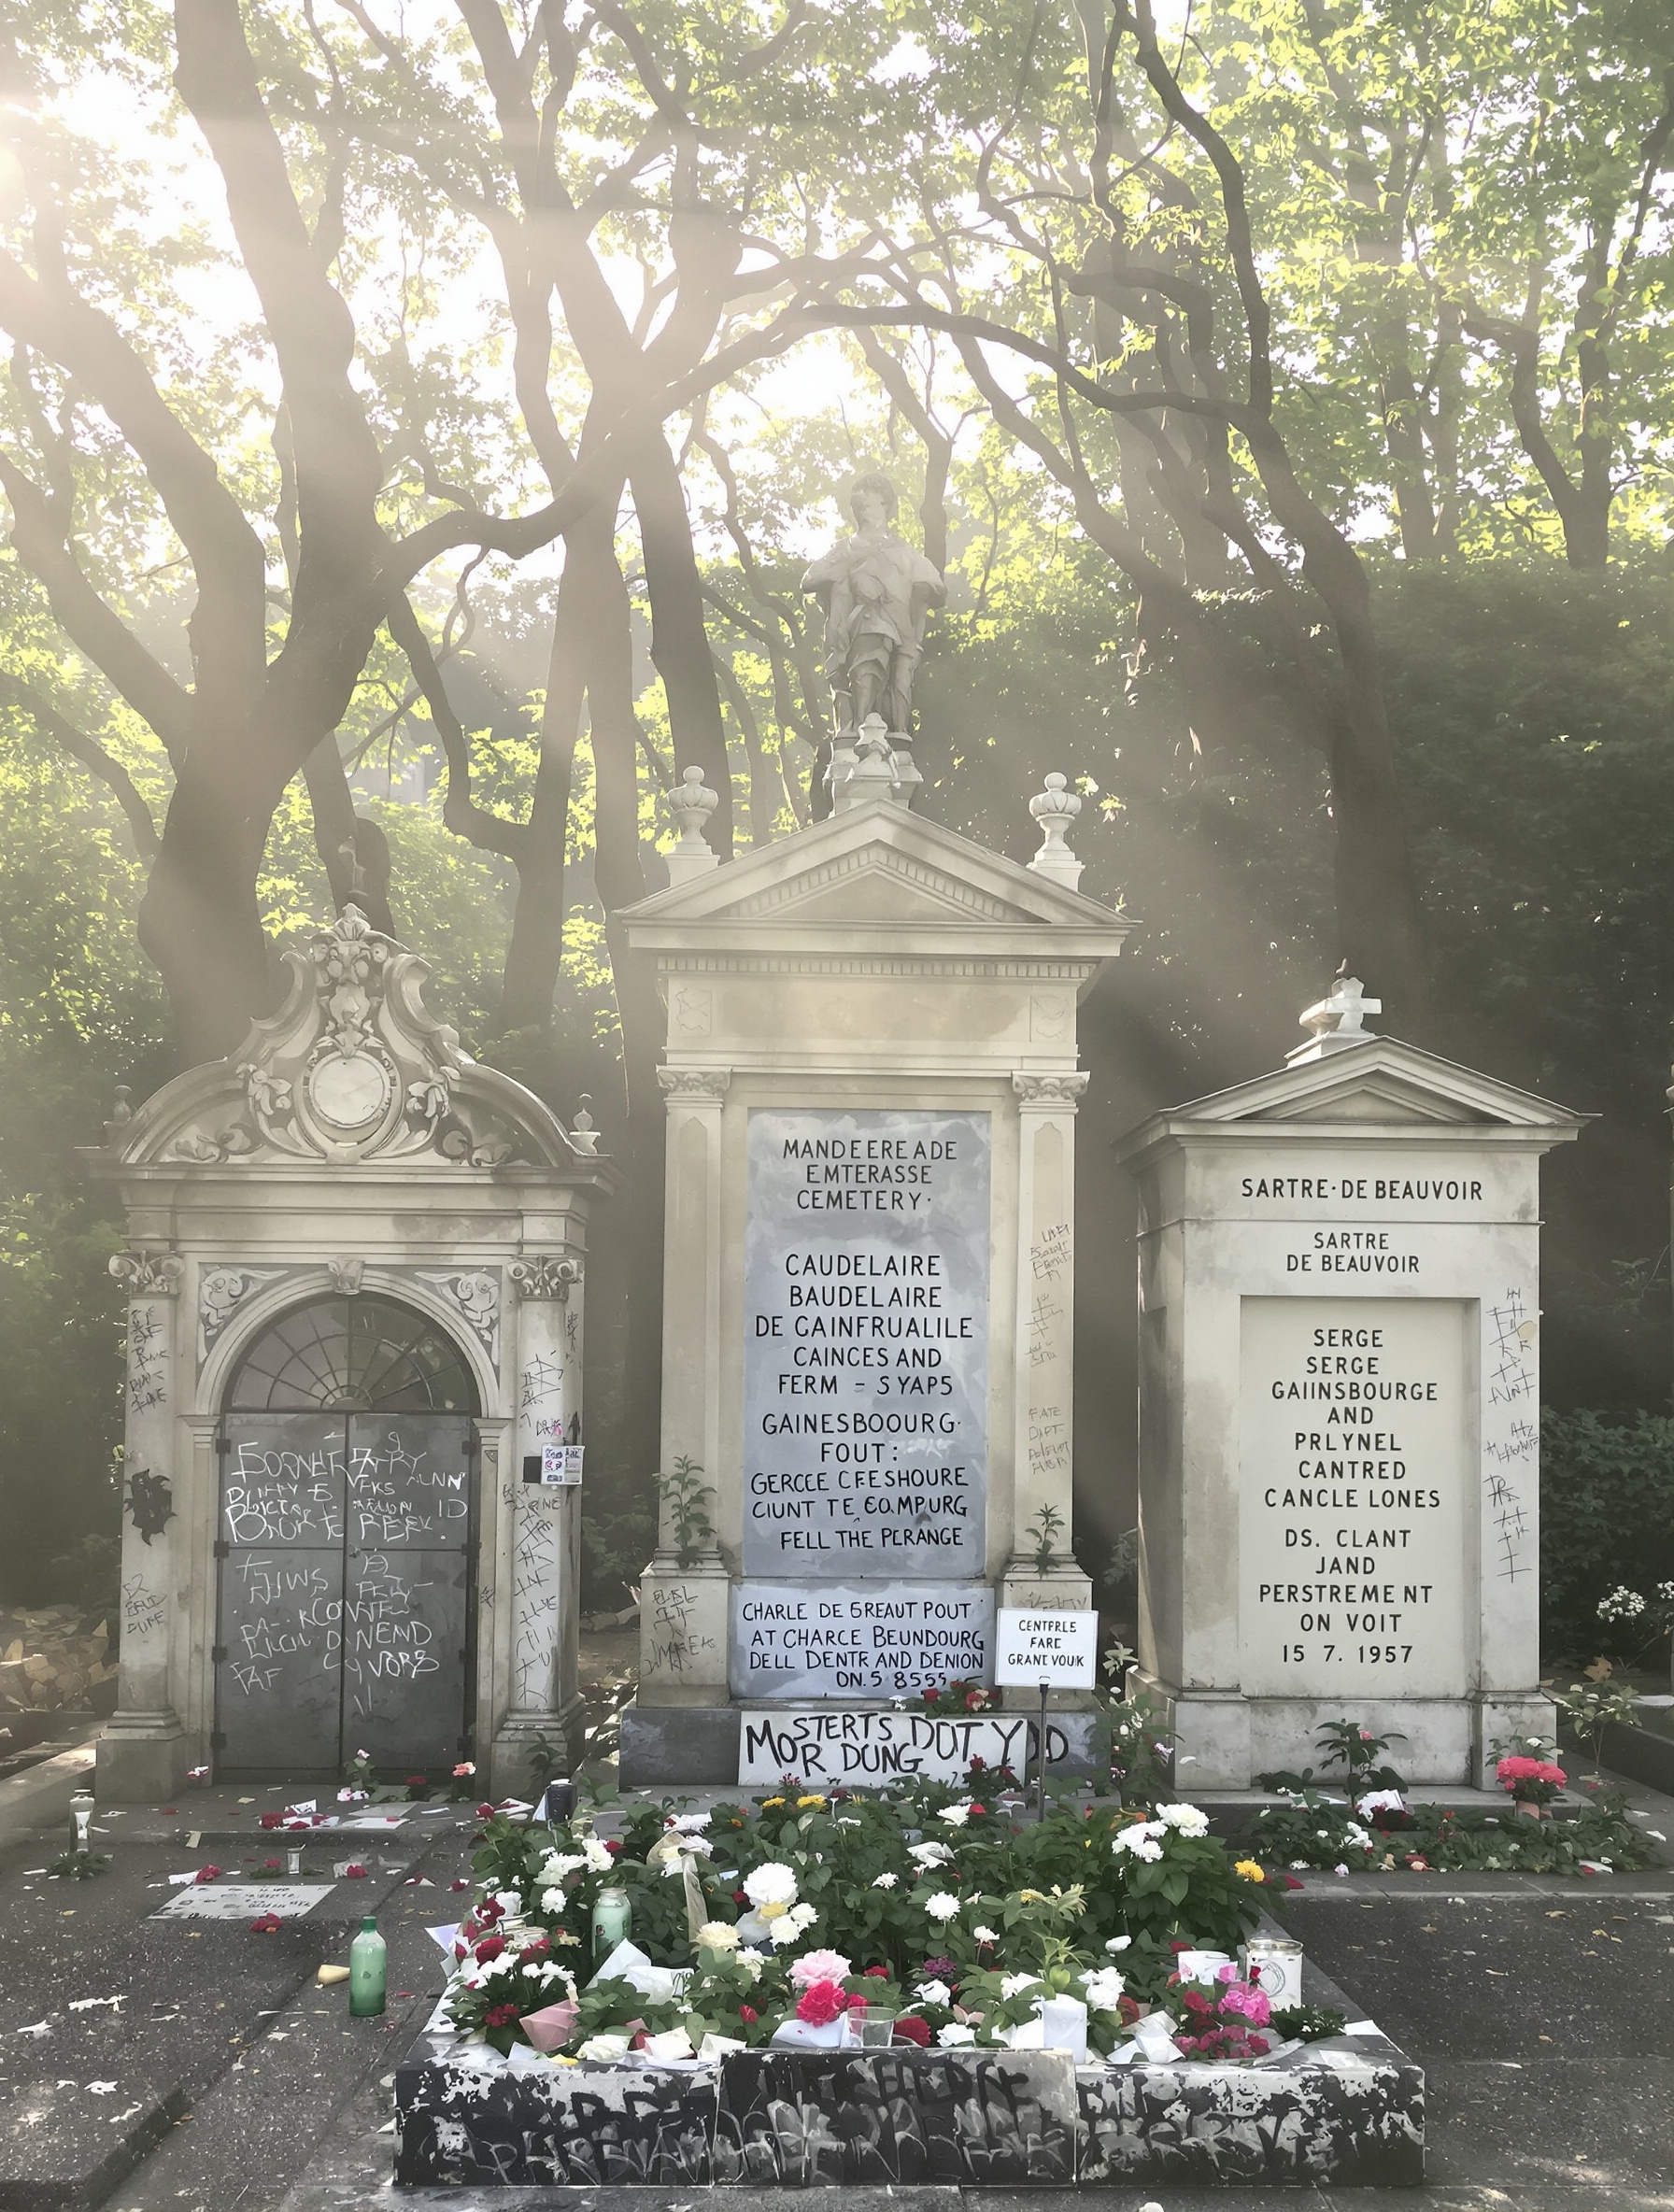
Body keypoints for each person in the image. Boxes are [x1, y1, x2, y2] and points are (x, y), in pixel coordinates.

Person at [802, 474, 944, 738]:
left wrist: (919, 591)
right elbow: (810, 579)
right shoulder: (844, 549)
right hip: (856, 628)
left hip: (898, 632)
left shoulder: (903, 552)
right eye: (857, 508)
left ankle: (881, 736)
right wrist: (849, 574)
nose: (861, 512)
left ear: (886, 505)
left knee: (892, 681)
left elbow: (935, 585)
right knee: (864, 671)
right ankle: (859, 733)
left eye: (867, 505)